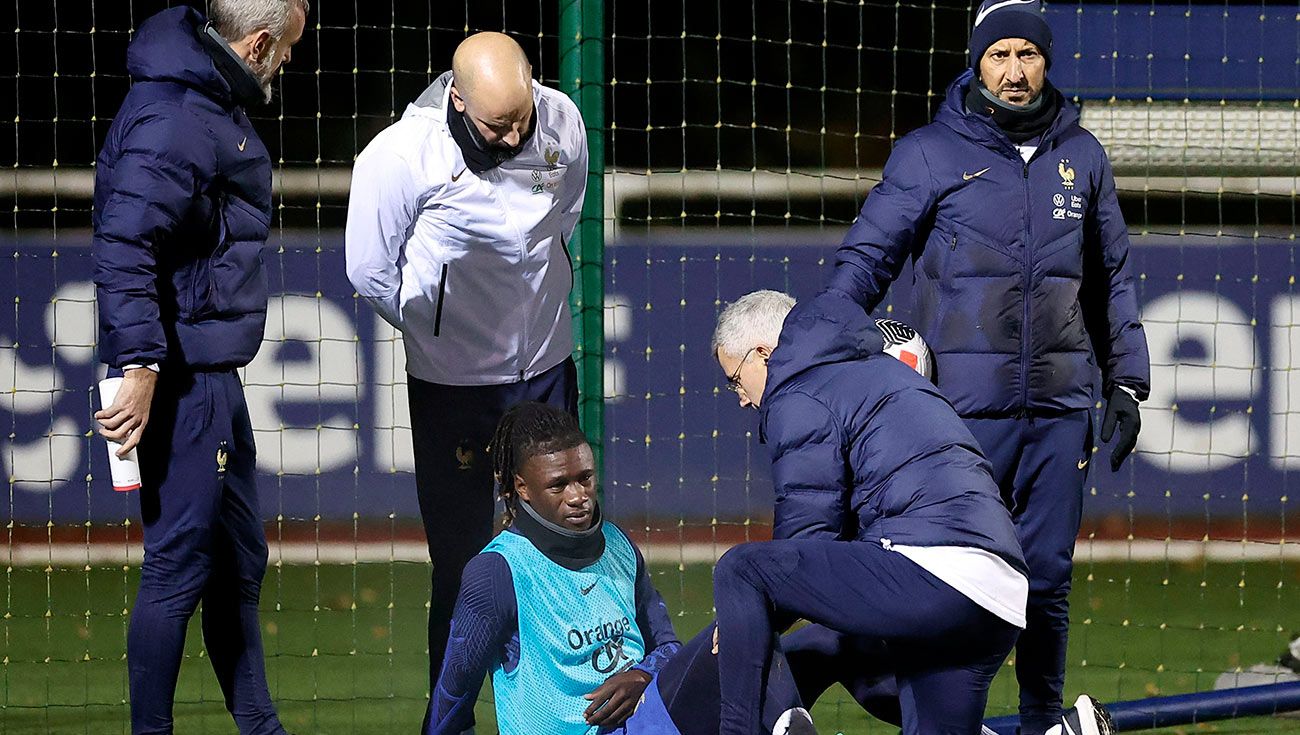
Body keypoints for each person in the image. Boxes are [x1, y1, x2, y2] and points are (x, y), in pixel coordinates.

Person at [825, 0, 1150, 730]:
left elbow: (1112, 280)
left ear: (1047, 61)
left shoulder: (1084, 157)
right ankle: (921, 714)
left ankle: (1041, 720)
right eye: (998, 55)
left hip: (1062, 410)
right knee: (942, 572)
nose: (1013, 71)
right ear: (975, 61)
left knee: (1048, 578)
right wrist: (829, 346)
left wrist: (1127, 379)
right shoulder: (928, 153)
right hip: (958, 413)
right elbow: (865, 261)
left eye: (1026, 55)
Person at [709, 289, 1113, 735]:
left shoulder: (800, 390)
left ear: (764, 354)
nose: (742, 398)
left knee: (741, 569)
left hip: (934, 573)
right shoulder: (880, 370)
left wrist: (756, 614)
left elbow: (807, 534)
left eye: (735, 379)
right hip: (999, 593)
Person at [344, 32, 588, 716]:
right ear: (456, 98)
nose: (514, 136)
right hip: (452, 390)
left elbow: (566, 212)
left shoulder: (560, 119)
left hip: (545, 372)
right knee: (463, 570)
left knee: (563, 557)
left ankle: (559, 716)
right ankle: (446, 720)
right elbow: (367, 268)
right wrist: (437, 330)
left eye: (521, 119)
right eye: (495, 124)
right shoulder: (399, 156)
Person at [91, 1, 307, 732]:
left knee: (239, 558)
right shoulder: (181, 117)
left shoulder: (199, 99)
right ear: (255, 43)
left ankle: (259, 723)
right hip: (182, 375)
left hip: (211, 370)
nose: (286, 62)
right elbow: (125, 244)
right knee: (178, 567)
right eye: (283, 50)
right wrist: (143, 361)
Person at [425, 401, 680, 735]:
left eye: (585, 478)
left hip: (647, 723)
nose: (578, 496)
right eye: (558, 485)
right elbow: (452, 698)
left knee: (725, 645)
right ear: (522, 487)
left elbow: (668, 648)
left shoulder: (618, 543)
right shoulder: (497, 571)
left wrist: (644, 675)